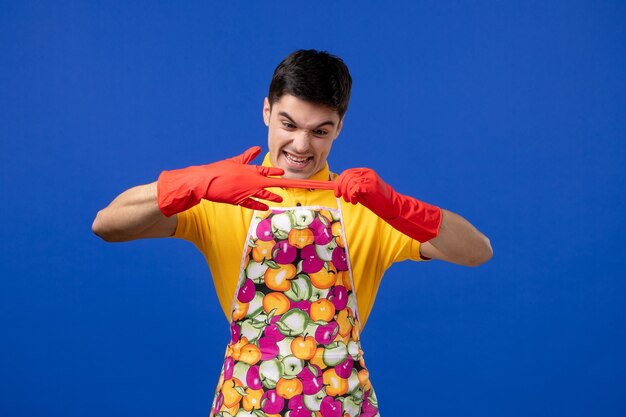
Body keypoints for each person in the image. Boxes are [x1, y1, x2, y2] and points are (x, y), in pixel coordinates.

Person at [93, 49, 492, 417]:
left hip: (341, 404)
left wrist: (398, 206)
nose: (301, 145)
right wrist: (195, 182)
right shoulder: (220, 198)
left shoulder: (367, 209)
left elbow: (477, 251)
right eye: (289, 124)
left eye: (321, 131)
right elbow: (107, 225)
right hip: (245, 403)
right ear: (266, 111)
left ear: (340, 128)